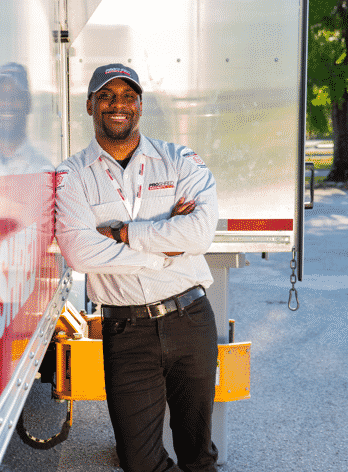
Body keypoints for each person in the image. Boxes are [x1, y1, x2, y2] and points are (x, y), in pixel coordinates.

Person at [55, 63, 220, 472]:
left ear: (140, 106)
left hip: (190, 318)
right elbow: (79, 252)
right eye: (107, 96)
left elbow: (198, 236)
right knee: (138, 460)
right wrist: (164, 246)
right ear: (91, 105)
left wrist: (123, 234)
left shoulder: (179, 159)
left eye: (128, 96)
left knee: (198, 454)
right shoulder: (72, 174)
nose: (118, 105)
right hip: (126, 333)